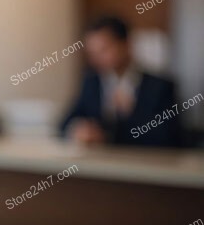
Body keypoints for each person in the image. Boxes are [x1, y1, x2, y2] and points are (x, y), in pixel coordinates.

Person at [60, 16, 180, 147]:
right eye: (92, 53)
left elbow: (170, 136)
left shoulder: (160, 87)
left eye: (104, 50)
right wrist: (78, 130)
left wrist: (127, 115)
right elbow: (65, 123)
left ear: (126, 45)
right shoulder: (92, 82)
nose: (97, 58)